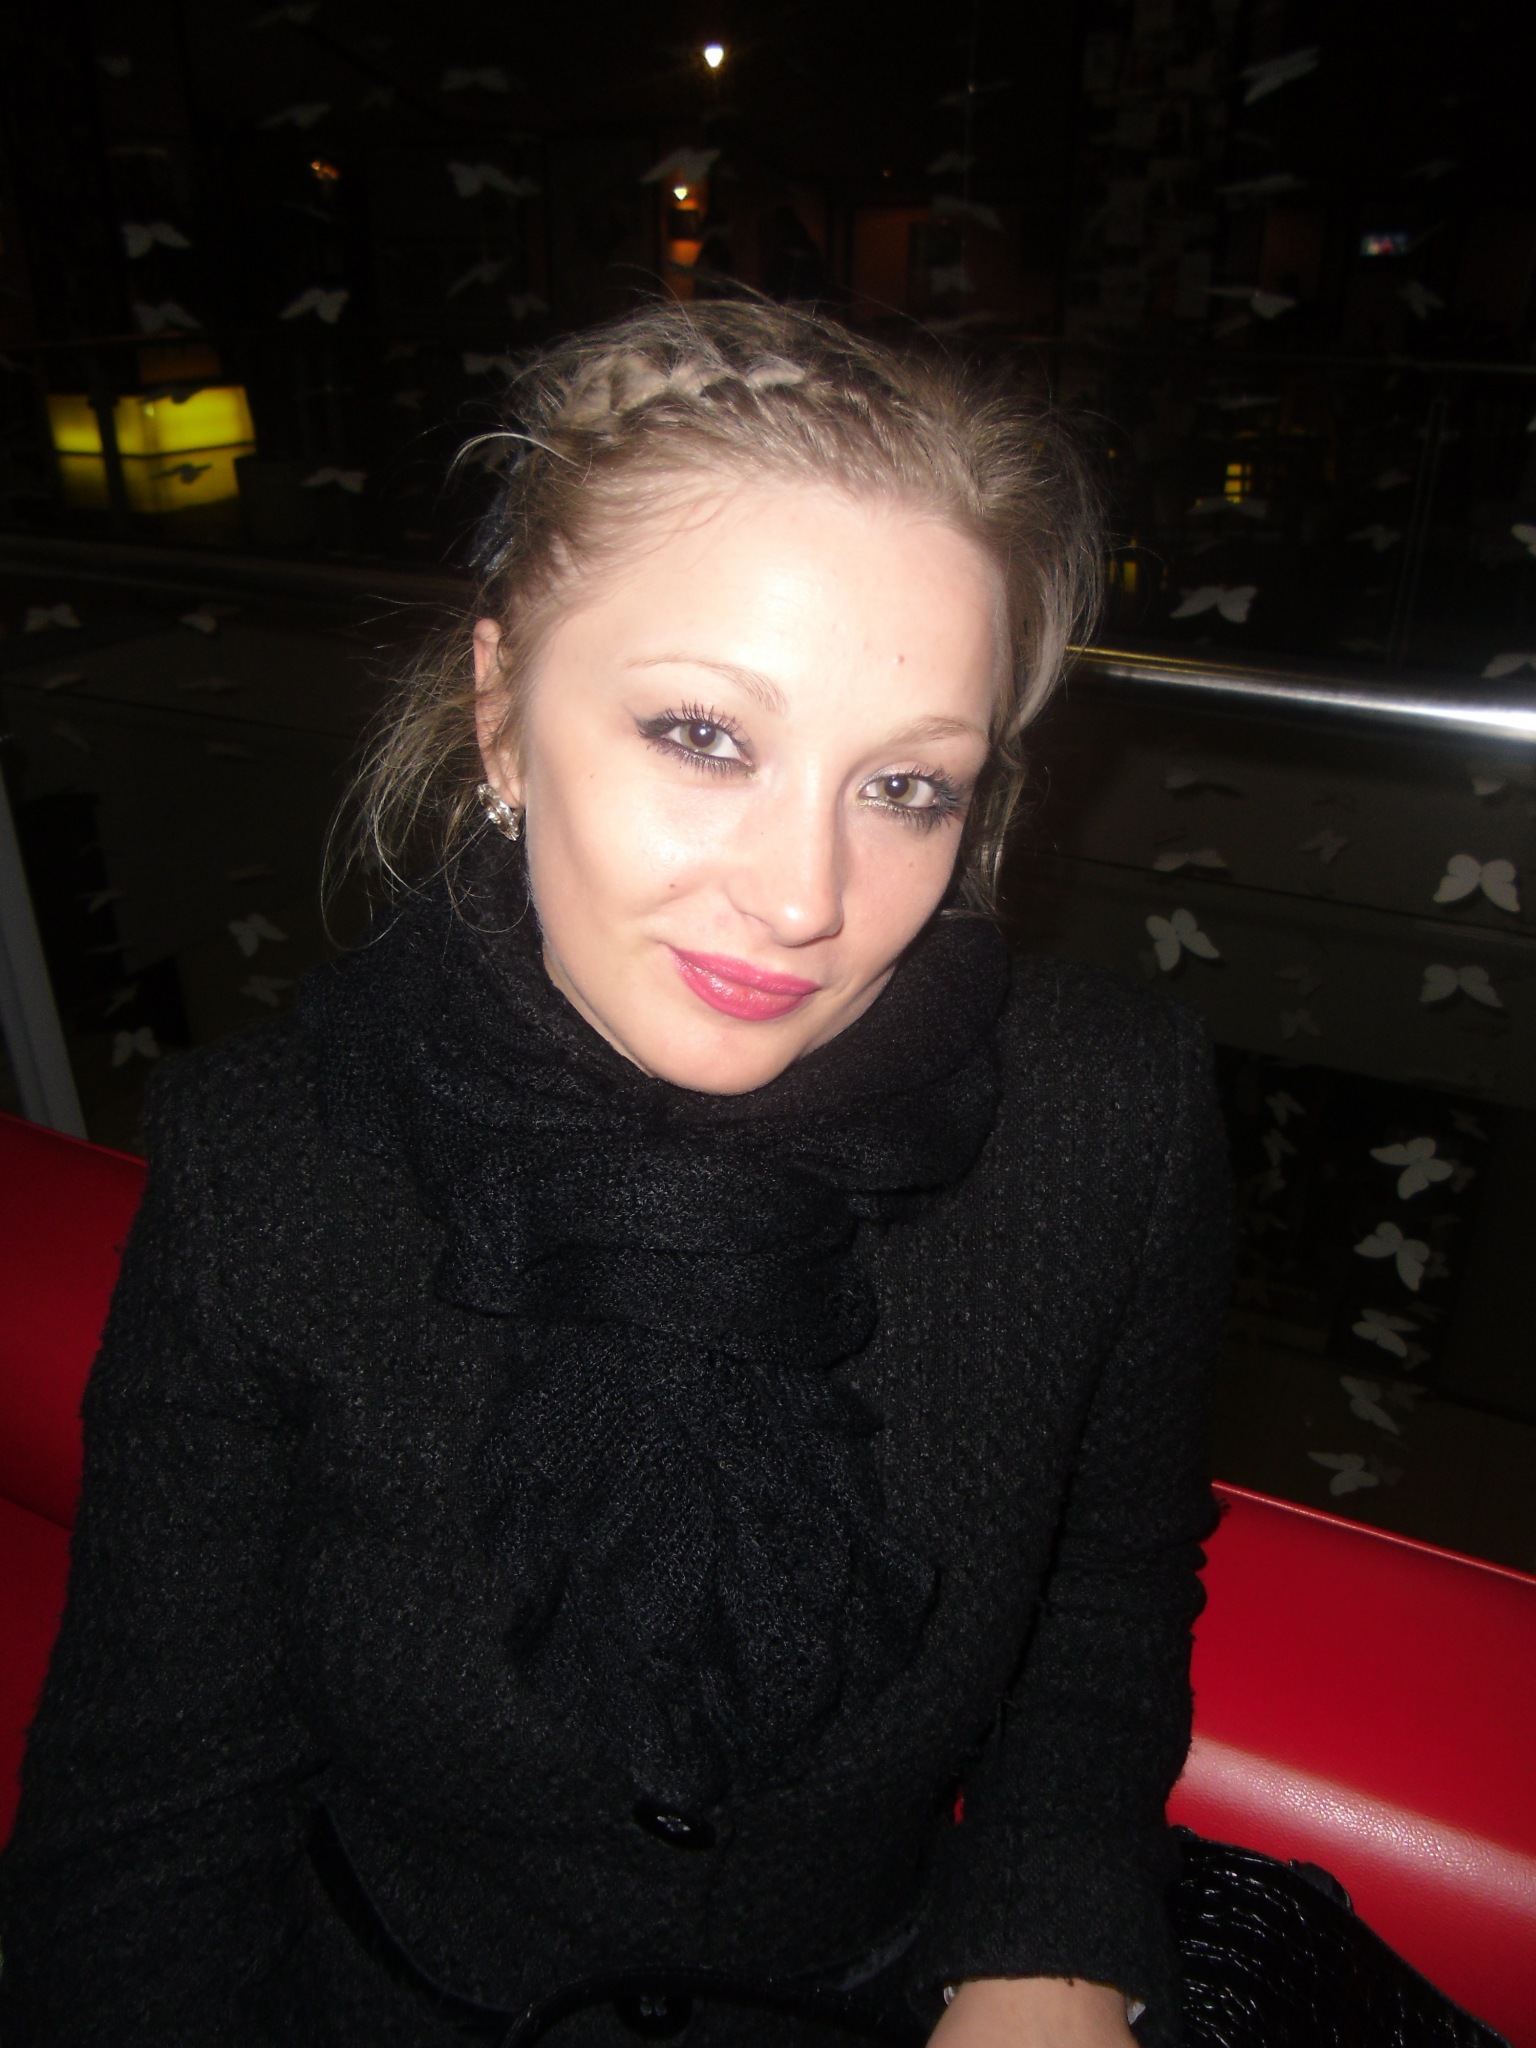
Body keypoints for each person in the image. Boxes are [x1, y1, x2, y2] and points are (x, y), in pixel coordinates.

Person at [0, 302, 1234, 2048]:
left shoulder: (1109, 1122)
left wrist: (1049, 1953)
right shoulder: (270, 1163)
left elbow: (1108, 1585)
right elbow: (150, 1814)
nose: (803, 898)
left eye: (904, 785)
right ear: (502, 713)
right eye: (704, 737)